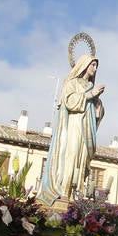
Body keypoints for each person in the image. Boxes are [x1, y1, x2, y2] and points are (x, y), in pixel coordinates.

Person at [38, 53, 106, 205]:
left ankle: (70, 193)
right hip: (74, 124)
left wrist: (97, 104)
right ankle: (63, 190)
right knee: (71, 155)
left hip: (86, 127)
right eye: (92, 65)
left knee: (80, 159)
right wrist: (90, 95)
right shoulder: (72, 83)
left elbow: (97, 113)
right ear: (84, 65)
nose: (95, 69)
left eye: (96, 66)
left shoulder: (90, 87)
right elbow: (69, 101)